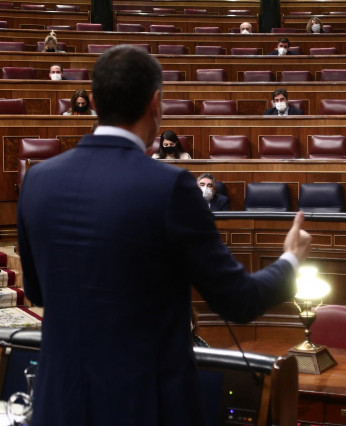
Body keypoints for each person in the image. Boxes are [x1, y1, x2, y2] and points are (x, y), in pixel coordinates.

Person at [17, 44, 312, 426]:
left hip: (58, 404)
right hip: (145, 407)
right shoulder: (169, 185)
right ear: (155, 103)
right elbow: (238, 301)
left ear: (93, 101)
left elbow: (38, 293)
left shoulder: (38, 180)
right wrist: (290, 260)